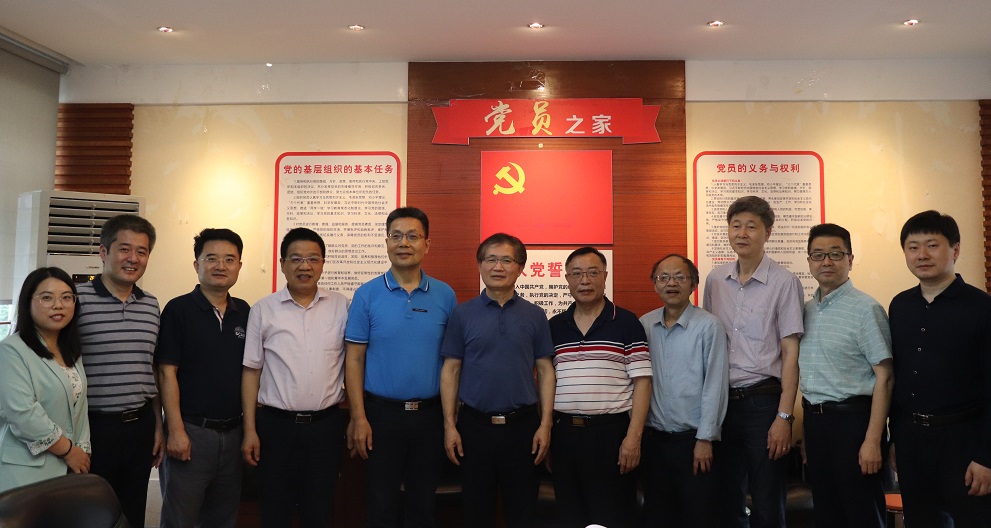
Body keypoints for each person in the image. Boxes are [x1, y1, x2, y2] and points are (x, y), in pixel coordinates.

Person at [344, 207, 457, 528]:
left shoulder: (445, 295)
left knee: (423, 505)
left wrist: (450, 419)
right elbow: (354, 359)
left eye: (412, 236)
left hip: (430, 417)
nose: (403, 243)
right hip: (381, 417)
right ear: (386, 242)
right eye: (396, 236)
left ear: (426, 244)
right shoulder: (366, 295)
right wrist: (358, 417)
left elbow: (453, 362)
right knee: (381, 505)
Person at [439, 233, 555, 528]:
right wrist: (450, 425)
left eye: (506, 260)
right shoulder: (462, 314)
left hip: (523, 428)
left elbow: (545, 371)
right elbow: (451, 370)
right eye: (490, 259)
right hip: (474, 428)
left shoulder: (535, 315)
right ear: (480, 265)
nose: (498, 267)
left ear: (520, 268)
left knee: (523, 513)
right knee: (476, 513)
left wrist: (545, 424)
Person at [702, 196, 804, 528]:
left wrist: (784, 417)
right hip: (723, 403)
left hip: (763, 402)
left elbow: (791, 354)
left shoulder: (785, 282)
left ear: (767, 233)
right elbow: (709, 342)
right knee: (725, 496)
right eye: (736, 226)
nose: (742, 233)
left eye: (751, 226)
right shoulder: (715, 280)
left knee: (767, 499)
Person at [888, 210, 991, 526]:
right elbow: (897, 376)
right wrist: (894, 439)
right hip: (911, 439)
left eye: (932, 245)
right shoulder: (900, 306)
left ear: (955, 250)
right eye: (913, 247)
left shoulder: (982, 307)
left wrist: (986, 457)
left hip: (963, 440)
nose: (922, 255)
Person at [241, 227, 349, 528]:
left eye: (313, 258)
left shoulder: (342, 307)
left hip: (326, 427)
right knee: (275, 511)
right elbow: (251, 371)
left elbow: (353, 363)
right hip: (277, 427)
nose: (305, 266)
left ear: (323, 263)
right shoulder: (263, 310)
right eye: (297, 258)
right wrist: (250, 430)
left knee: (319, 510)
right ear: (282, 264)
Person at [547, 246, 651, 528]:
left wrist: (633, 438)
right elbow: (546, 381)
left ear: (605, 276)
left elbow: (642, 382)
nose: (585, 280)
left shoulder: (626, 322)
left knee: (612, 516)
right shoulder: (555, 326)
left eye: (593, 273)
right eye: (577, 274)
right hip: (565, 434)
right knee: (570, 515)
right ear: (567, 279)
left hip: (611, 435)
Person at [799, 223, 893, 527]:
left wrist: (873, 440)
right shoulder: (805, 311)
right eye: (818, 255)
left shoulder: (867, 309)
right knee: (826, 512)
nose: (826, 261)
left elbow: (885, 378)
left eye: (835, 254)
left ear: (850, 260)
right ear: (809, 261)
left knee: (862, 512)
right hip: (815, 423)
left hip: (854, 425)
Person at [157, 228, 250, 528]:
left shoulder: (245, 312)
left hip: (233, 434)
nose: (220, 266)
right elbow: (166, 373)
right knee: (180, 520)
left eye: (229, 259)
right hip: (192, 433)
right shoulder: (178, 310)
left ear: (239, 266)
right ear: (197, 264)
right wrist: (175, 430)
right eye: (211, 258)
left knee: (223, 520)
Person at [77, 214, 162, 528]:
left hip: (140, 426)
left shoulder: (151, 304)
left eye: (142, 251)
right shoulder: (76, 299)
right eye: (124, 249)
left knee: (132, 513)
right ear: (103, 252)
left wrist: (158, 425)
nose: (133, 258)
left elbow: (151, 367)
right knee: (90, 512)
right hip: (94, 427)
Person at [640, 254, 728, 528]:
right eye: (663, 277)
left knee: (698, 516)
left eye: (680, 277)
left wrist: (705, 439)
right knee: (657, 517)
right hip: (654, 443)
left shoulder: (709, 326)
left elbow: (715, 384)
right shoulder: (644, 325)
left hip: (693, 443)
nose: (671, 283)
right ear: (655, 284)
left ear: (693, 284)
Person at [0, 267, 91, 493]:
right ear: (27, 303)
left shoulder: (70, 351)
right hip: (24, 471)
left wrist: (82, 450)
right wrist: (69, 451)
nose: (58, 305)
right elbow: (22, 413)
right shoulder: (11, 350)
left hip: (68, 469)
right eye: (47, 298)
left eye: (66, 297)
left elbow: (80, 408)